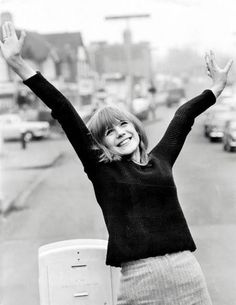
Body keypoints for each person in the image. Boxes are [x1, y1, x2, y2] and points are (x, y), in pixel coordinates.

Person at [0, 22, 233, 305]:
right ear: (103, 144)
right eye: (109, 132)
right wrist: (18, 64)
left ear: (136, 128)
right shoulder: (103, 170)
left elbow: (183, 116)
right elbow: (63, 109)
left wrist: (217, 87)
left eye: (123, 124)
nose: (120, 132)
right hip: (139, 281)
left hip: (187, 273)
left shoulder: (161, 160)